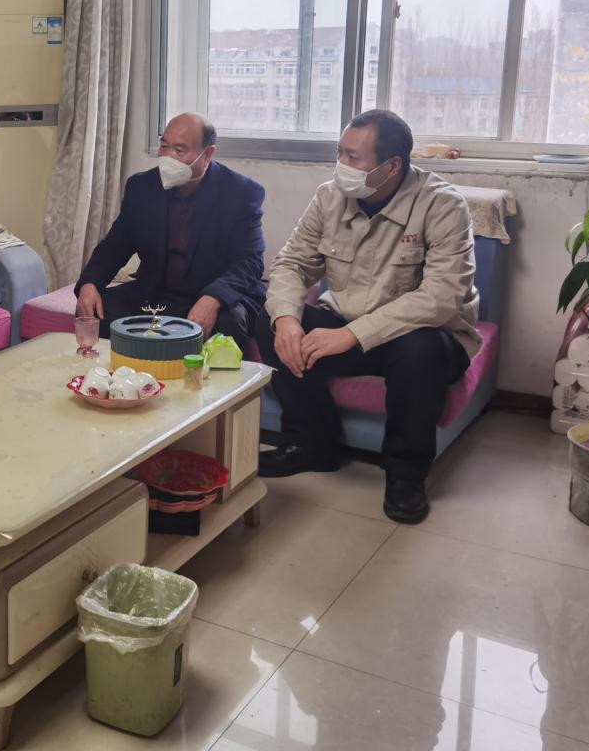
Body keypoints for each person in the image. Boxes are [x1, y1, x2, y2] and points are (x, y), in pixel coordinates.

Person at [256, 109, 480, 524]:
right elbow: (291, 264)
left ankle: (405, 475)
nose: (342, 164)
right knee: (268, 317)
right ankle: (311, 444)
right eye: (339, 152)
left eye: (353, 157)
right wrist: (286, 320)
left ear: (392, 165)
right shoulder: (329, 197)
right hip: (348, 327)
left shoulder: (443, 204)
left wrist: (353, 335)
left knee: (421, 350)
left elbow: (441, 297)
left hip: (420, 337)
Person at [75, 112, 265, 340]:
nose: (168, 157)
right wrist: (90, 282)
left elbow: (249, 262)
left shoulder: (241, 193)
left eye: (180, 150)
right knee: (98, 310)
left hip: (212, 294)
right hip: (157, 293)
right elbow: (114, 246)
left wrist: (213, 298)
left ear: (207, 154)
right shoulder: (142, 187)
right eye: (164, 146)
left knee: (229, 322)